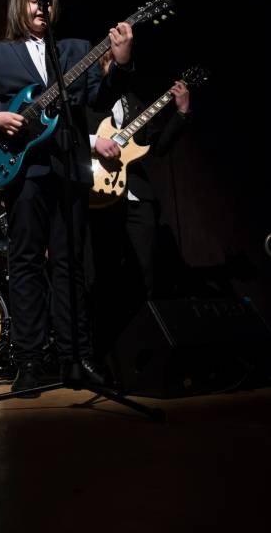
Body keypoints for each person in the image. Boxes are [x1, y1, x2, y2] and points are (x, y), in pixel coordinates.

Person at [0, 0, 133, 394]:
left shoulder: (75, 50)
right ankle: (30, 361)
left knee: (71, 264)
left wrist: (120, 63)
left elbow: (98, 100)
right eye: (33, 0)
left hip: (69, 167)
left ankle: (78, 357)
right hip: (25, 172)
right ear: (18, 5)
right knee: (25, 263)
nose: (41, 6)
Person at [87, 52, 191, 355]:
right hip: (98, 194)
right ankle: (102, 351)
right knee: (103, 276)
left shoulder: (134, 103)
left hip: (136, 197)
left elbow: (157, 147)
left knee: (144, 274)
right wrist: (95, 141)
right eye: (112, 62)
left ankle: (140, 349)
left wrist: (182, 112)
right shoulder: (88, 100)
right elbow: (70, 136)